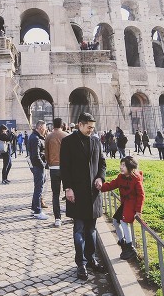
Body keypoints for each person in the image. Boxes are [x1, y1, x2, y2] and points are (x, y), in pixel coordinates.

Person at [60, 112, 107, 281]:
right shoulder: (68, 142)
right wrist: (68, 188)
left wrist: (100, 177)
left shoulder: (96, 140)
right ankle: (81, 263)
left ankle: (92, 258)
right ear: (80, 125)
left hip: (93, 193)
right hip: (77, 193)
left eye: (93, 128)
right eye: (88, 127)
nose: (91, 131)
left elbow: (102, 163)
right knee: (79, 229)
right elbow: (64, 168)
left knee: (92, 229)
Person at [100, 156, 145, 260]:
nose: (121, 167)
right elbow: (111, 185)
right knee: (116, 221)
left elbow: (141, 195)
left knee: (124, 222)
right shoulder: (121, 177)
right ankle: (122, 241)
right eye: (121, 165)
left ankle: (130, 247)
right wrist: (99, 187)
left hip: (132, 205)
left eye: (124, 165)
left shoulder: (136, 179)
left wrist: (138, 210)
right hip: (125, 204)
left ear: (130, 167)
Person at [44, 117, 68, 227]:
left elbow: (46, 153)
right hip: (66, 167)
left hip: (54, 168)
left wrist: (49, 163)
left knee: (55, 194)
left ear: (53, 125)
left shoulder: (48, 136)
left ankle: (57, 218)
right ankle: (72, 214)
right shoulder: (66, 136)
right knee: (69, 191)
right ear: (62, 125)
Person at [28, 120, 48, 220]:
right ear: (40, 127)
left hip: (38, 166)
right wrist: (43, 165)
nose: (46, 130)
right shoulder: (35, 138)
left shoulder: (35, 137)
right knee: (38, 189)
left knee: (38, 187)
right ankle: (37, 211)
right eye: (45, 128)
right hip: (38, 166)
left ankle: (33, 208)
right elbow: (35, 156)